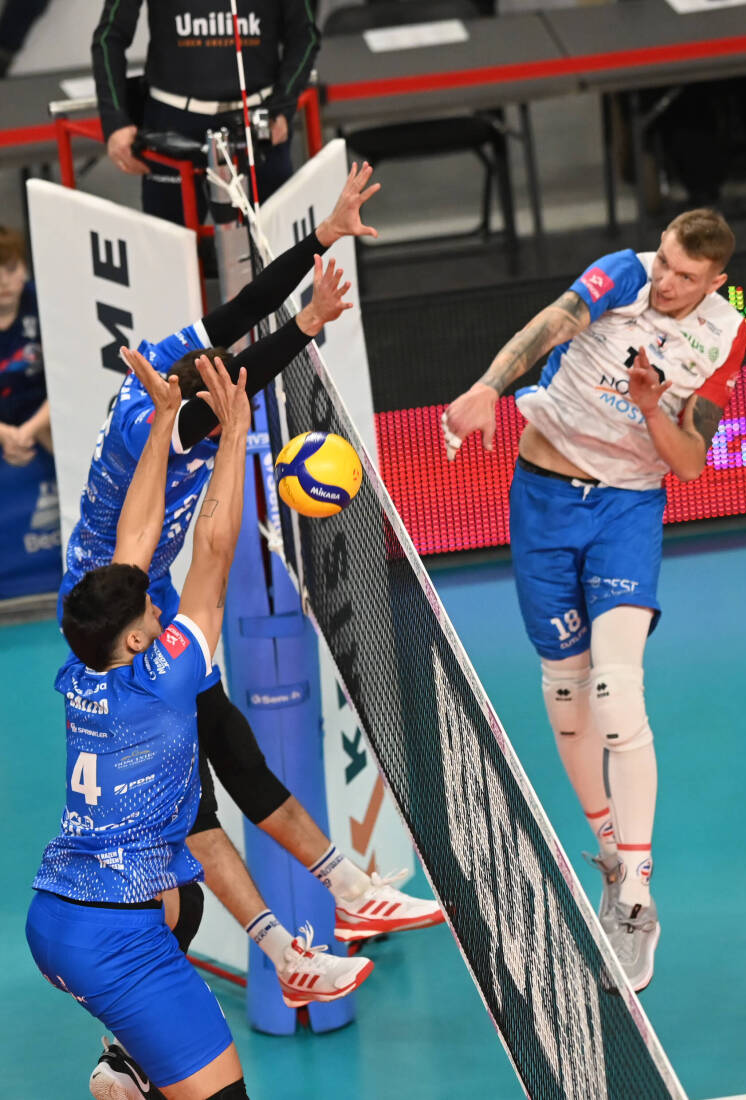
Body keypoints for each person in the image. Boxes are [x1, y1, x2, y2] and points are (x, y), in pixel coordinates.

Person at [58, 165, 442, 1094]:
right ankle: (293, 942)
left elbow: (234, 319)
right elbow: (232, 409)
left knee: (222, 768)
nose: (218, 369)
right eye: (208, 386)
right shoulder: (166, 430)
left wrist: (322, 240)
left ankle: (334, 900)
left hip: (138, 601)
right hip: (122, 616)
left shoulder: (162, 380)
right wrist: (303, 333)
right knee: (195, 814)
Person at [29, 349, 374, 1100]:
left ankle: (127, 1064)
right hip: (116, 938)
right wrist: (237, 437)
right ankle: (132, 1054)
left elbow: (134, 541)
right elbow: (213, 553)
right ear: (136, 639)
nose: (160, 605)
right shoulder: (166, 679)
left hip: (56, 915)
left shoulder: (83, 670)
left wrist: (163, 426)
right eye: (150, 610)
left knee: (184, 892)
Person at [442, 208, 746, 992]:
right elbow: (552, 323)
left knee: (616, 690)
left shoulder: (724, 334)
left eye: (685, 275)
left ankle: (637, 897)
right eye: (665, 261)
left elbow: (689, 464)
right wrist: (486, 387)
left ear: (715, 281)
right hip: (544, 497)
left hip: (627, 510)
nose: (666, 281)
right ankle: (610, 854)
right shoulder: (622, 274)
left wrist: (650, 407)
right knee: (567, 696)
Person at [91, 0, 321, 223]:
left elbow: (305, 36)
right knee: (170, 241)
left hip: (258, 118)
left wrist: (282, 107)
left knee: (275, 240)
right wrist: (115, 120)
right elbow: (109, 36)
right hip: (172, 122)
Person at [0, 225, 61, 598]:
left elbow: (67, 372)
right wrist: (5, 433)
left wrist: (29, 429)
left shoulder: (43, 304)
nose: (4, 281)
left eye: (11, 268)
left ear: (24, 268)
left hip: (44, 417)